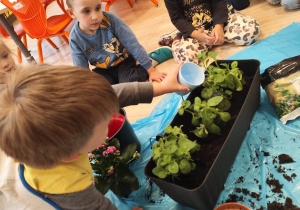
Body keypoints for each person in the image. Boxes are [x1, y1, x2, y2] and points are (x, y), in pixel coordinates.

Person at [0, 61, 189, 209]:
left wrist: (162, 87)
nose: (112, 117)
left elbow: (108, 96)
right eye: (105, 124)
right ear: (72, 155)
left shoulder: (56, 139)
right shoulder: (69, 186)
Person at [66, 0, 173, 85]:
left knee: (130, 82)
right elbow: (82, 70)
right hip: (103, 69)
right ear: (72, 13)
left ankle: (150, 59)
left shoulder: (111, 20)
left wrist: (151, 71)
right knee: (102, 89)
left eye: (98, 8)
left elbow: (133, 45)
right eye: (86, 11)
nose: (95, 17)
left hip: (124, 61)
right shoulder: (75, 39)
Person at [158, 0, 260, 65]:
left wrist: (219, 25)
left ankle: (217, 37)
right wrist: (195, 34)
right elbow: (177, 18)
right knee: (185, 61)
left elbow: (219, 2)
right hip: (195, 31)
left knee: (251, 31)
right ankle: (175, 38)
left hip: (218, 20)